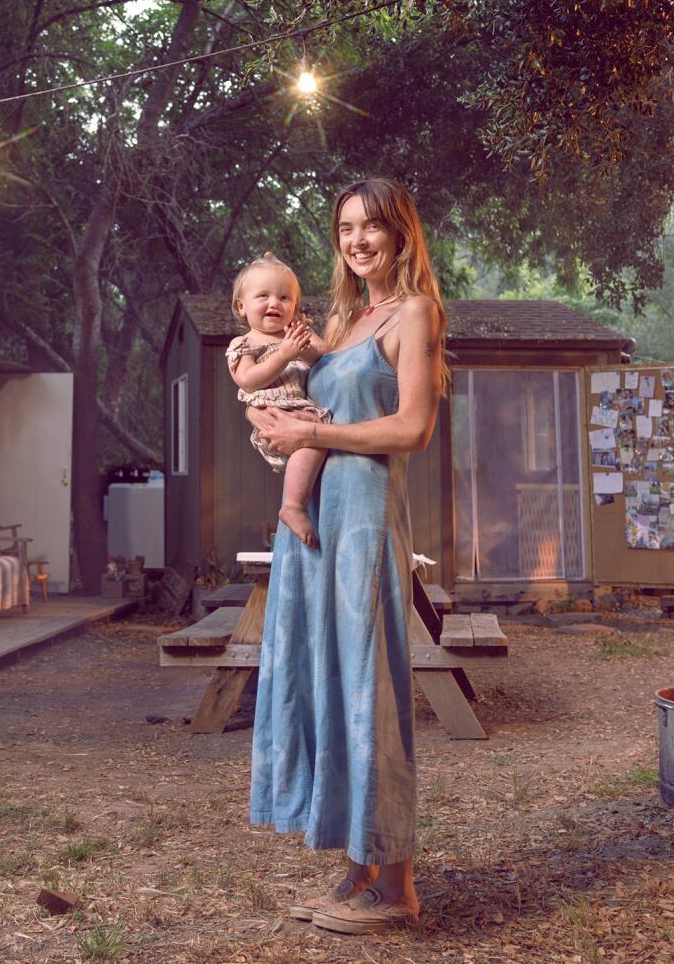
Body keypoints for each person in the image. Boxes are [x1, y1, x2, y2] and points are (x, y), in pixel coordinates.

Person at [245, 177, 446, 935]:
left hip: (363, 524)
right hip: (315, 526)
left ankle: (396, 885)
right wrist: (277, 422)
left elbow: (414, 428)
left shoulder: (414, 313)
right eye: (345, 227)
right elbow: (306, 406)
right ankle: (358, 866)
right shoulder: (345, 319)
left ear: (401, 233)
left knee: (370, 687)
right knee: (327, 682)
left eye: (372, 226)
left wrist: (312, 437)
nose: (357, 239)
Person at [225, 254, 329, 550]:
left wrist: (304, 346)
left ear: (295, 307)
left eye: (285, 297)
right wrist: (284, 354)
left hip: (299, 411)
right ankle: (292, 505)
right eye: (263, 296)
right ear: (241, 307)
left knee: (316, 436)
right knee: (313, 437)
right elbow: (247, 379)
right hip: (273, 414)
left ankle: (299, 502)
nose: (275, 303)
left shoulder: (295, 335)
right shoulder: (244, 344)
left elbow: (326, 356)